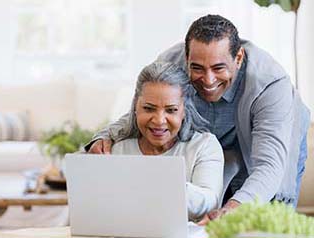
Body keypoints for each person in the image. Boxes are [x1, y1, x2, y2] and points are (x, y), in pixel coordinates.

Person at [86, 15, 310, 223]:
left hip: (268, 143)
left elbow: (269, 167)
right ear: (186, 58)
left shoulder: (270, 83)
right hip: (214, 138)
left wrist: (234, 208)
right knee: (213, 217)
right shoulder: (170, 63)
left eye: (218, 68)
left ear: (239, 57)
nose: (208, 80)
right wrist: (107, 135)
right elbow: (146, 110)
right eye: (198, 68)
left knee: (263, 213)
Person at [110, 61, 224, 221]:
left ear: (185, 110)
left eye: (171, 110)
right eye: (149, 108)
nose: (159, 120)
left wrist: (163, 184)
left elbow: (209, 202)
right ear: (136, 106)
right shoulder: (118, 148)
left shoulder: (203, 146)